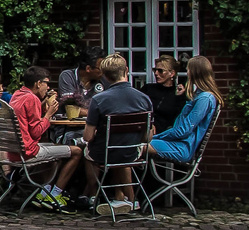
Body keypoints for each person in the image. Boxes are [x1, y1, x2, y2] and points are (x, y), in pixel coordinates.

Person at [79, 53, 151, 215]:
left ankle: (94, 194)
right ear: (126, 70)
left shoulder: (99, 100)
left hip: (105, 153)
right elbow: (148, 137)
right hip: (132, 153)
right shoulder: (144, 99)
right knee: (122, 151)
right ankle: (128, 200)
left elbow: (88, 137)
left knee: (87, 151)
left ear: (104, 76)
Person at [3, 66, 80, 209]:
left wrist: (44, 104)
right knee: (76, 151)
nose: (48, 86)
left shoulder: (18, 95)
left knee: (51, 152)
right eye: (46, 83)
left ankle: (44, 193)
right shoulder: (32, 99)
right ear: (38, 83)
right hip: (28, 153)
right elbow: (37, 132)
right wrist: (49, 115)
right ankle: (56, 194)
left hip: (13, 152)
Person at [147, 56, 220, 164]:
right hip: (177, 142)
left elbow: (182, 131)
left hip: (182, 147)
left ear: (195, 72)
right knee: (132, 146)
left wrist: (157, 136)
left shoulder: (205, 98)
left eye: (188, 70)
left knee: (135, 147)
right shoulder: (199, 95)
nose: (187, 73)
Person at [143, 54, 186, 131]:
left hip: (165, 134)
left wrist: (179, 97)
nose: (156, 73)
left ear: (172, 73)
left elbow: (179, 118)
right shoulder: (148, 89)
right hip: (145, 131)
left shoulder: (178, 94)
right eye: (154, 70)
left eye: (160, 71)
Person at [58, 48, 105, 116]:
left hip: (93, 125)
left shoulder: (102, 80)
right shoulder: (68, 76)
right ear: (88, 69)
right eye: (101, 69)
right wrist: (97, 113)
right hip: (69, 125)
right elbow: (70, 108)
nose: (103, 72)